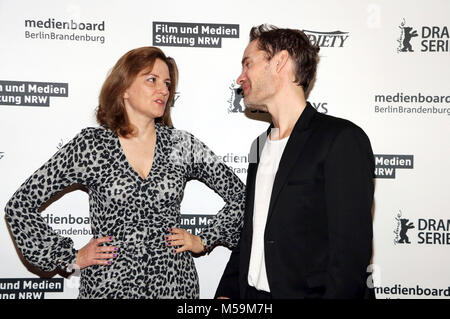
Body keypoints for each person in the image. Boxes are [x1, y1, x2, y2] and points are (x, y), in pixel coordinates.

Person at [4, 46, 245, 299]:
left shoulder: (181, 145)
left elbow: (242, 197)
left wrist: (203, 240)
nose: (163, 89)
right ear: (124, 88)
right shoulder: (92, 146)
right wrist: (70, 257)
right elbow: (20, 206)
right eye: (151, 80)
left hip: (174, 284)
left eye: (166, 83)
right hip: (108, 286)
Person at [215, 25, 375, 299]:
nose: (240, 77)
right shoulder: (258, 146)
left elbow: (349, 257)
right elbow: (252, 231)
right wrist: (227, 292)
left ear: (280, 62)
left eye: (248, 63)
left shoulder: (342, 139)